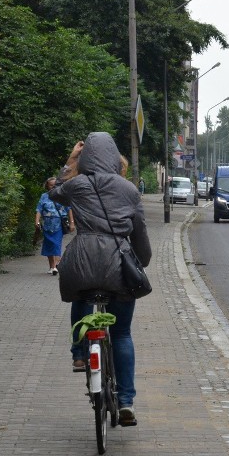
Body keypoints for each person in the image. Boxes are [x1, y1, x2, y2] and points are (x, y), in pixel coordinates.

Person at [49, 132, 152, 427]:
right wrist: (140, 262)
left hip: (82, 260)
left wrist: (70, 160)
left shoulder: (77, 185)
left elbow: (54, 191)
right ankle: (127, 402)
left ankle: (79, 354)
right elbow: (140, 232)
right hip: (118, 264)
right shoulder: (129, 190)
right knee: (120, 333)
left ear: (88, 157)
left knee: (80, 295)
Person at [35, 176, 73, 275]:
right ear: (47, 186)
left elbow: (69, 209)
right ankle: (51, 267)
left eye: (55, 185)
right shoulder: (44, 196)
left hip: (59, 224)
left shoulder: (63, 196)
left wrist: (72, 222)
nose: (53, 187)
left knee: (56, 244)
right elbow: (39, 209)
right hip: (47, 224)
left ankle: (56, 265)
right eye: (51, 185)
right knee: (49, 245)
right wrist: (37, 221)